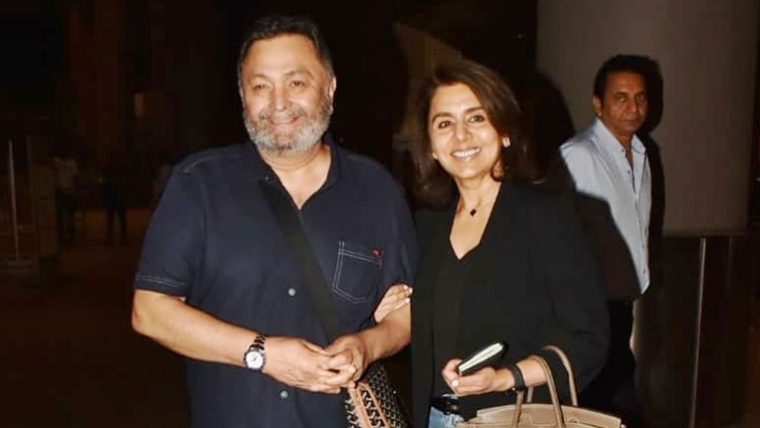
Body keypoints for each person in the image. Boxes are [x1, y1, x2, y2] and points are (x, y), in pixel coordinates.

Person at [130, 14, 417, 428]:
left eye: (296, 83)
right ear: (242, 95)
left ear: (329, 88)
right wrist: (261, 353)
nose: (278, 102)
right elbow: (150, 310)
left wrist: (366, 346)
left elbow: (405, 313)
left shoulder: (377, 190)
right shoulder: (199, 184)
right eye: (260, 86)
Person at [408, 58, 609, 428]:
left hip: (511, 417)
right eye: (445, 123)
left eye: (476, 118)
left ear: (504, 131)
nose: (461, 135)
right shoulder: (425, 228)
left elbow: (588, 339)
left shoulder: (547, 216)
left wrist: (505, 377)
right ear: (431, 145)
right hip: (432, 418)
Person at [560, 54, 654, 426]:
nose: (633, 107)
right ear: (598, 104)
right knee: (599, 404)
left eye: (640, 97)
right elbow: (559, 233)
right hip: (590, 305)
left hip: (620, 302)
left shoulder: (641, 154)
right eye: (621, 97)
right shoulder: (580, 155)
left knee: (612, 400)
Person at [101, 152, 128, 245]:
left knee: (111, 217)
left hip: (113, 194)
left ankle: (112, 237)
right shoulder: (120, 167)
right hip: (117, 194)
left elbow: (104, 181)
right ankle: (122, 236)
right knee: (120, 218)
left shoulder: (108, 167)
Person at [54, 153, 79, 245]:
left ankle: (70, 237)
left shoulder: (71, 163)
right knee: (60, 215)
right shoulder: (56, 161)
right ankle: (62, 237)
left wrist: (74, 190)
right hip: (60, 191)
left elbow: (75, 177)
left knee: (69, 216)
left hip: (68, 191)